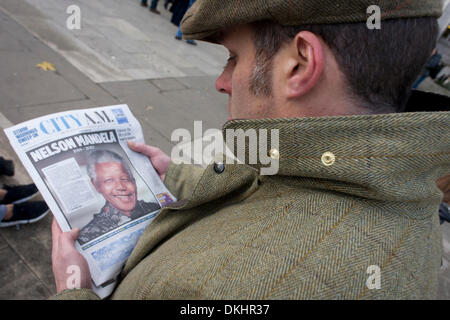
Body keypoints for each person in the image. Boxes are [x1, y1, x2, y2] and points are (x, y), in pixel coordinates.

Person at [51, 0, 449, 299]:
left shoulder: (222, 290)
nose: (222, 82)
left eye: (233, 58)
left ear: (299, 65)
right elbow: (267, 188)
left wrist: (74, 288)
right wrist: (174, 172)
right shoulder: (404, 181)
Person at [78, 150, 160, 244]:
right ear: (96, 185)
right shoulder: (88, 235)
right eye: (109, 181)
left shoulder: (156, 208)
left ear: (133, 180)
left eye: (125, 179)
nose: (121, 186)